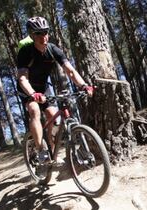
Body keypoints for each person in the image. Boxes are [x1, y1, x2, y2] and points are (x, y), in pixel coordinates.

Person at [17, 16, 93, 164]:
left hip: (43, 88)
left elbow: (70, 71)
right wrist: (32, 94)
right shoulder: (25, 52)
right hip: (27, 88)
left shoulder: (53, 50)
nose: (43, 36)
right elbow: (22, 78)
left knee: (53, 115)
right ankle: (41, 150)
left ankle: (52, 151)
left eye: (45, 32)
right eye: (39, 33)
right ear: (32, 35)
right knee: (34, 111)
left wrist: (83, 85)